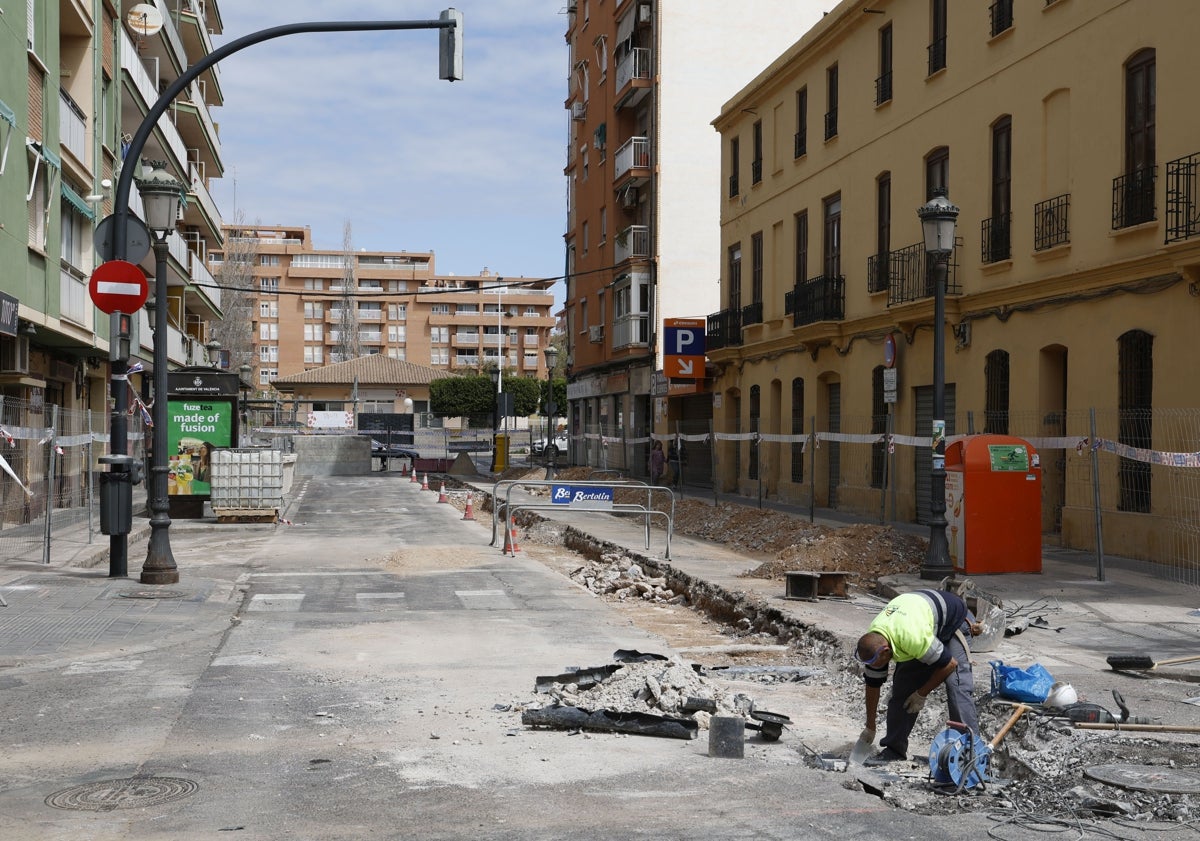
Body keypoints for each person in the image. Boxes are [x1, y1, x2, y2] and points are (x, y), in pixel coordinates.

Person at [855, 588, 983, 766]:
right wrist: (870, 726)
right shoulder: (875, 638)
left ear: (885, 651)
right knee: (903, 686)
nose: (875, 667)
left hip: (954, 622)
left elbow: (949, 664)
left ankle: (972, 757)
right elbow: (873, 684)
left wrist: (922, 693)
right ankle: (894, 749)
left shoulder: (912, 638)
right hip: (924, 624)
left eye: (877, 663)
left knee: (956, 685)